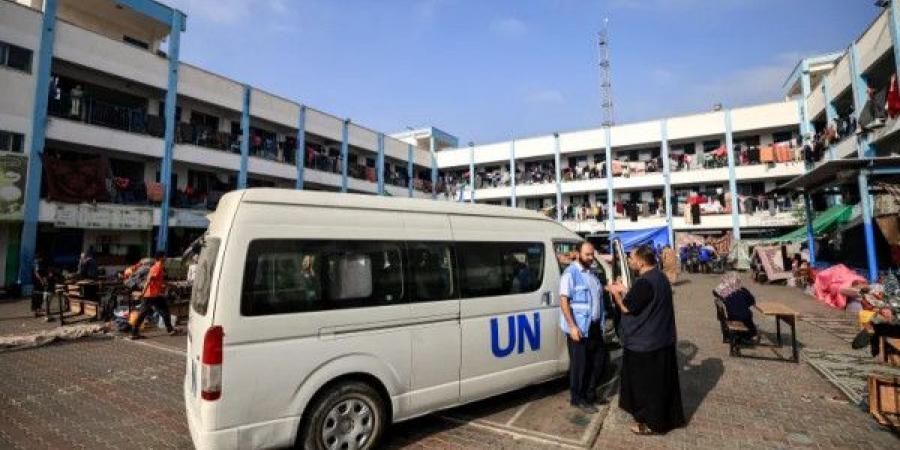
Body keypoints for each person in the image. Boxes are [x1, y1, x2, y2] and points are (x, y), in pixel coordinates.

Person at [607, 245, 685, 435]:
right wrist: (626, 289)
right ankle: (665, 419)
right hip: (662, 341)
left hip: (645, 344)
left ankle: (650, 424)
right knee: (662, 386)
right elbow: (642, 297)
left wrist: (615, 292)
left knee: (647, 389)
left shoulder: (645, 282)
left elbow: (627, 308)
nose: (630, 261)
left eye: (632, 258)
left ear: (641, 261)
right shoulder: (659, 278)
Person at [559, 241, 608, 414]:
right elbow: (564, 301)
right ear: (578, 254)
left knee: (599, 361)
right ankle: (577, 398)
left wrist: (609, 288)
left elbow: (596, 295)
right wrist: (572, 326)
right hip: (579, 327)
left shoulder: (591, 273)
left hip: (594, 325)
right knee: (580, 366)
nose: (591, 257)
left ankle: (590, 394)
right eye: (587, 254)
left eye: (592, 254)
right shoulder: (570, 274)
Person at [129, 252, 178, 339]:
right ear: (161, 258)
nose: (166, 258)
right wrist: (143, 293)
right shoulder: (157, 267)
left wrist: (169, 284)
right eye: (164, 256)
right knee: (143, 313)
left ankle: (170, 330)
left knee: (164, 311)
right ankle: (134, 333)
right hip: (149, 295)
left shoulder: (160, 267)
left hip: (155, 294)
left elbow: (158, 281)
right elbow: (148, 281)